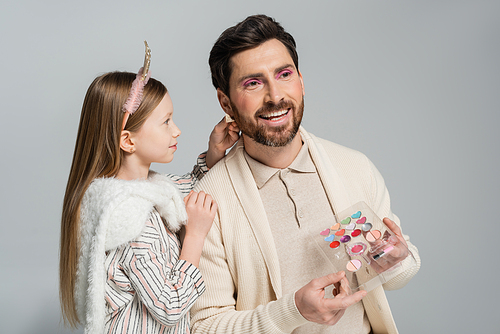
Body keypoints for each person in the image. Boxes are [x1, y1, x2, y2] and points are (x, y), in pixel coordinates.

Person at [190, 15, 421, 334]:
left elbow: (397, 273)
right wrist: (293, 311)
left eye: (283, 75)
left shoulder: (353, 167)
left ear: (300, 79)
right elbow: (204, 326)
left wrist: (396, 258)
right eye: (253, 83)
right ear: (225, 102)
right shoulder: (209, 201)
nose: (275, 96)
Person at [59, 49, 240, 334]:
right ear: (128, 141)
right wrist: (195, 235)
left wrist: (214, 152)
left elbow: (182, 189)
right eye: (166, 121)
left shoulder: (141, 191)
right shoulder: (130, 223)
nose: (177, 130)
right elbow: (170, 304)